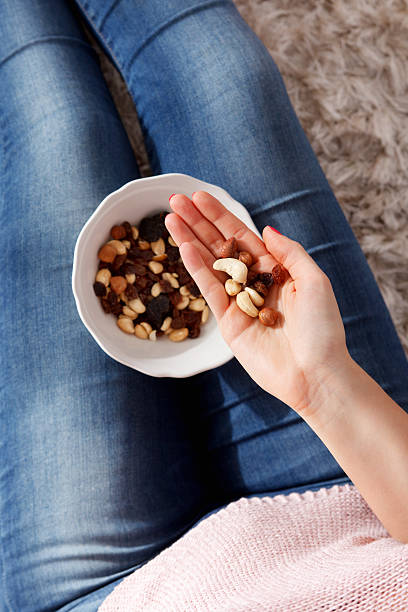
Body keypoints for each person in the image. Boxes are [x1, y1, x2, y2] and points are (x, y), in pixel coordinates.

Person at [1, 0, 408, 610]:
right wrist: (324, 384)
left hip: (109, 596)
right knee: (224, 74)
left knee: (56, 128)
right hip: (354, 488)